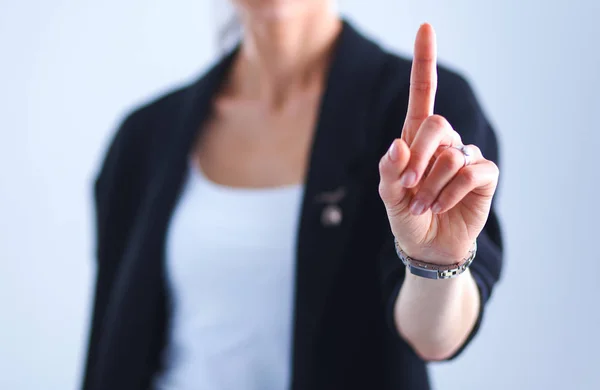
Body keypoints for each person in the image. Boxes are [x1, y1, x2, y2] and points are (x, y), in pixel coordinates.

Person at [82, 1, 503, 389]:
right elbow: (111, 347)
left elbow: (434, 338)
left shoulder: (424, 116)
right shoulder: (145, 137)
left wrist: (434, 260)